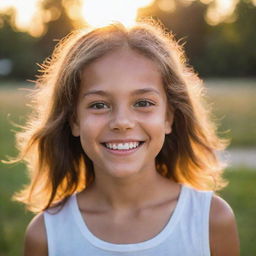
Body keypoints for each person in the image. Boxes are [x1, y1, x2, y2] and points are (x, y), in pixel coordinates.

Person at [14, 20, 239, 255]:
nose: (122, 122)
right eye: (99, 105)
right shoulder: (46, 234)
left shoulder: (211, 220)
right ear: (74, 121)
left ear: (168, 118)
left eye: (143, 103)